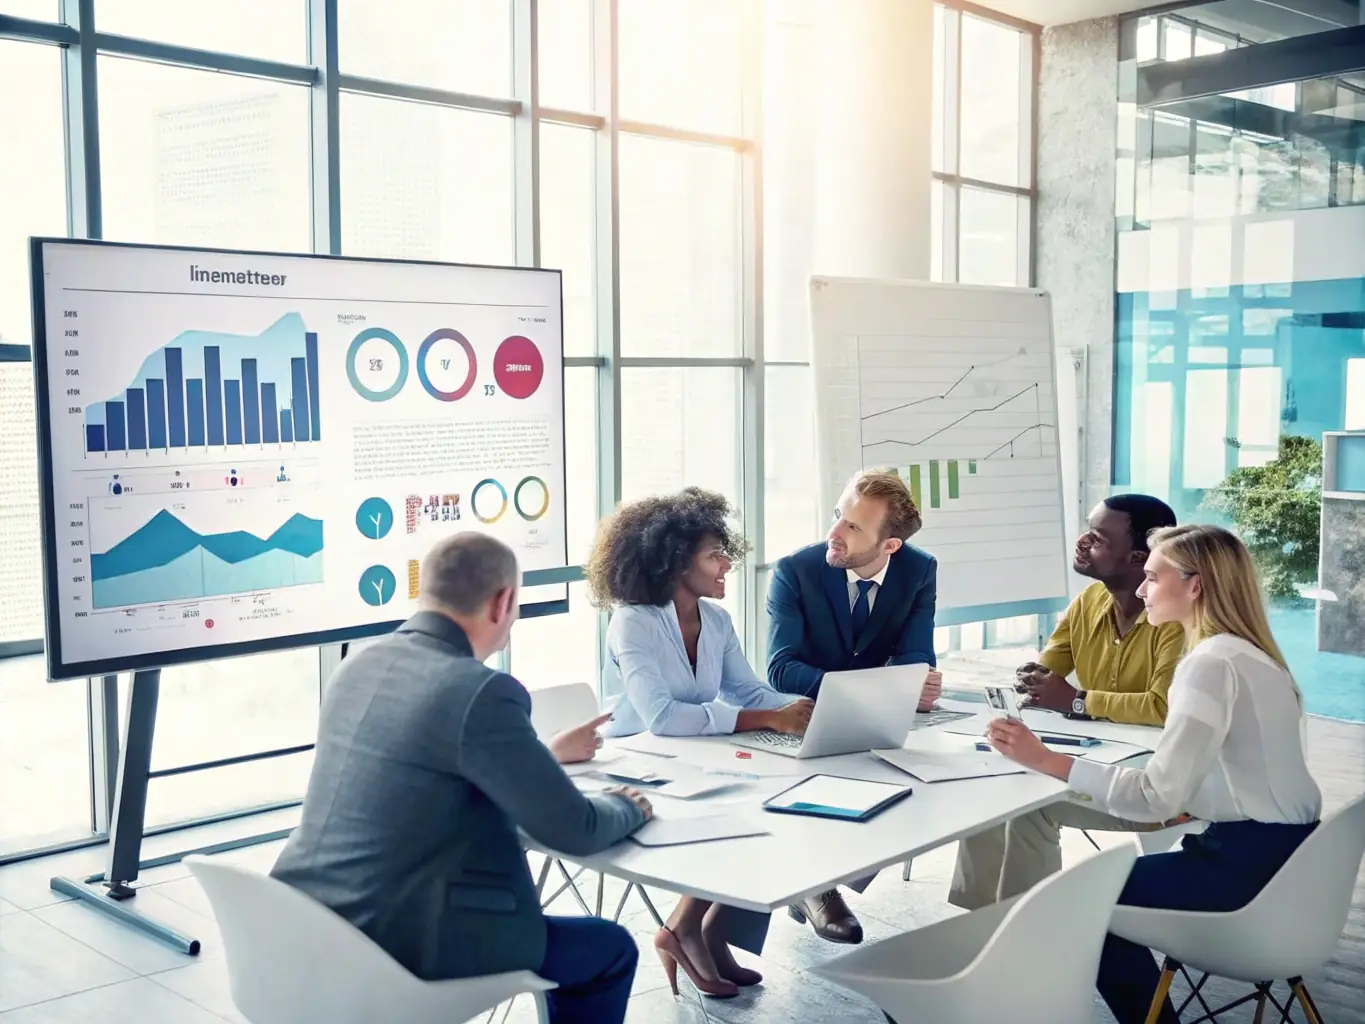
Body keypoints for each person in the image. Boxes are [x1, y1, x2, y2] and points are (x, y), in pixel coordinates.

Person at [271, 533, 654, 1024]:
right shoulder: (481, 690)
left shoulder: (359, 664)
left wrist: (546, 755)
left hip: (304, 920)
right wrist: (628, 805)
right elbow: (575, 830)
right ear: (504, 602)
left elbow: (430, 767)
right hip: (400, 942)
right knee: (610, 949)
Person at [987, 524, 1321, 1024]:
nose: (1141, 589)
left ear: (1195, 585)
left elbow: (1155, 799)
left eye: (1153, 576)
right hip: (1292, 866)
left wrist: (1045, 760)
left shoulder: (1209, 664)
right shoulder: (1253, 656)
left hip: (1242, 870)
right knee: (1089, 893)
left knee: (1079, 900)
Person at [586, 487, 812, 999]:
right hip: (632, 768)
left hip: (692, 759)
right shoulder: (632, 623)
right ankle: (684, 928)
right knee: (745, 810)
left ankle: (706, 931)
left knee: (772, 804)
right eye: (714, 555)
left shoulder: (717, 621)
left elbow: (748, 691)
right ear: (673, 562)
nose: (727, 564)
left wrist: (807, 706)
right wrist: (768, 719)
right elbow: (663, 717)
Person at [950, 493, 1184, 910]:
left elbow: (1162, 707)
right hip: (1099, 759)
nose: (1081, 542)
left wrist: (1078, 700)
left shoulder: (1174, 619)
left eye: (1098, 538)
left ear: (1138, 557)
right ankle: (977, 917)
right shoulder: (1089, 602)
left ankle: (1025, 928)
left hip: (1148, 780)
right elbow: (1049, 673)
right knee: (995, 783)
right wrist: (1034, 681)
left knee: (1028, 803)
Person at [765, 470, 940, 944]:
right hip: (804, 712)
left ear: (890, 546)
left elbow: (916, 655)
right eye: (838, 515)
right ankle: (817, 886)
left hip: (874, 715)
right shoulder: (795, 570)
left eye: (853, 526)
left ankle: (824, 877)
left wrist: (916, 680)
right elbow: (780, 668)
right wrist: (878, 687)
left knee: (921, 785)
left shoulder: (919, 570)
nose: (835, 532)